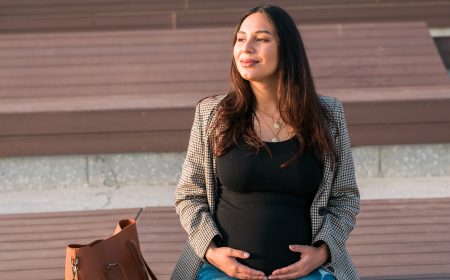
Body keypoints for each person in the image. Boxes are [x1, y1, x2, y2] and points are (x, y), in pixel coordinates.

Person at [171, 5, 360, 280]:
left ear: (287, 50)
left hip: (310, 273)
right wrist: (212, 252)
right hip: (218, 272)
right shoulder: (212, 114)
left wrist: (321, 252)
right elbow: (190, 194)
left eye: (261, 39)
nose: (246, 48)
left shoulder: (328, 116)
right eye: (240, 38)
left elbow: (345, 198)